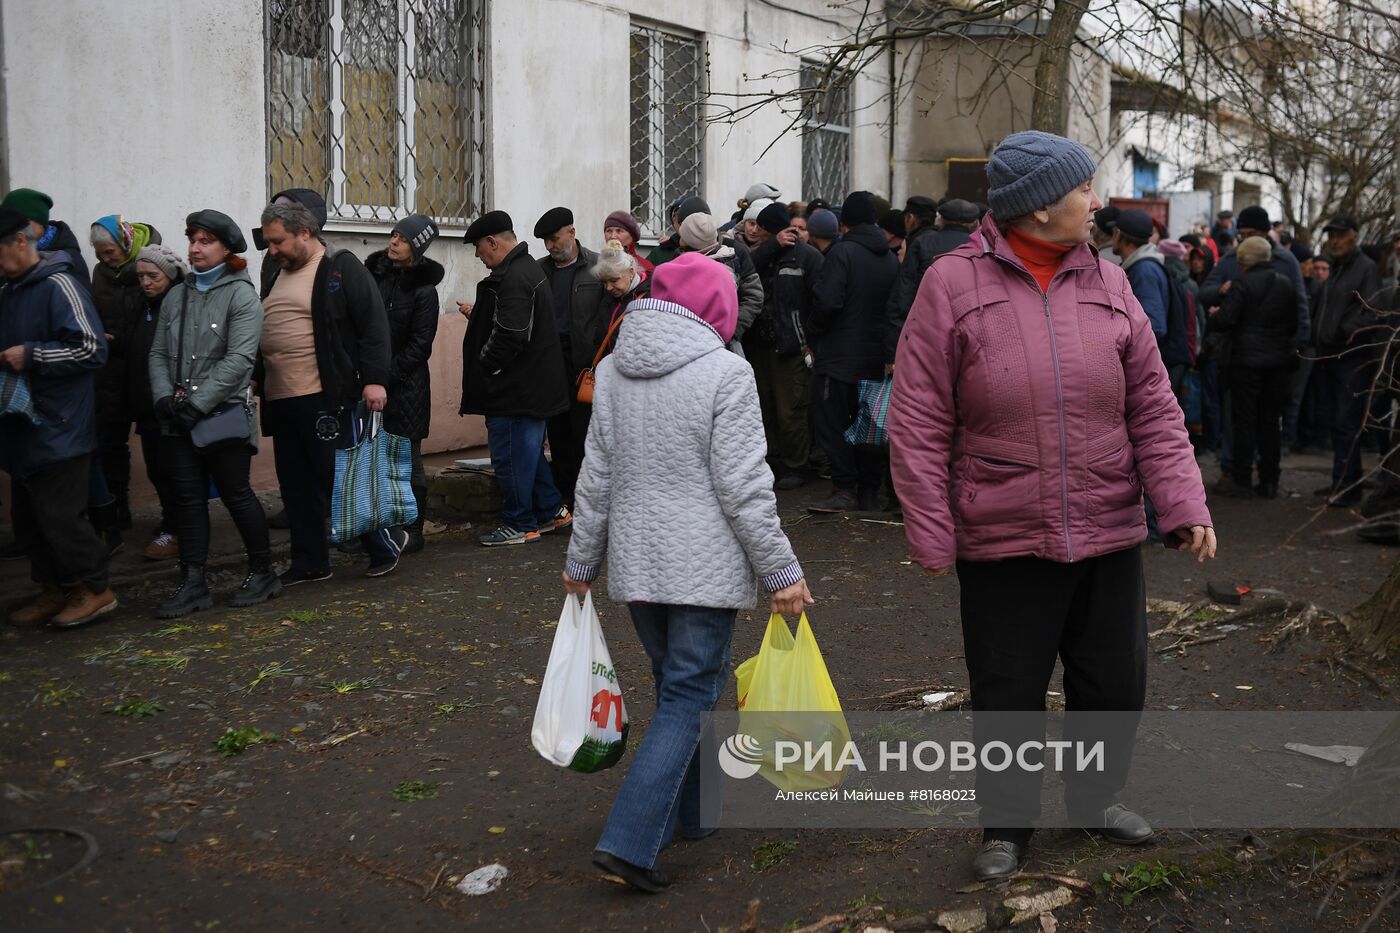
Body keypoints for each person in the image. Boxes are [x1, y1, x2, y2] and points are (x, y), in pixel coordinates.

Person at [888, 131, 1215, 882]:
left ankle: (1095, 801)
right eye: (1082, 190)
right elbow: (917, 415)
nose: (1095, 202)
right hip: (1002, 535)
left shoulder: (1110, 280)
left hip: (1105, 528)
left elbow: (1155, 408)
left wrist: (1182, 503)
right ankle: (1006, 826)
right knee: (1008, 689)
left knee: (1113, 683)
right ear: (1039, 208)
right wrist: (933, 525)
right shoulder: (952, 283)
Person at [561, 251, 812, 893]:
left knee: (677, 686)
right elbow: (745, 485)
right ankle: (629, 843)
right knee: (688, 696)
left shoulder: (614, 369)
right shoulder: (728, 372)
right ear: (719, 308)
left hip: (638, 564)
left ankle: (694, 815)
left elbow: (596, 475)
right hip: (702, 566)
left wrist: (583, 556)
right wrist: (781, 570)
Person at [256, 200, 403, 579]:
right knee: (296, 485)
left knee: (340, 479)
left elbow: (373, 325)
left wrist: (375, 380)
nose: (272, 250)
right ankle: (310, 562)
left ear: (304, 233)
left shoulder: (340, 267)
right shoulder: (276, 271)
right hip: (282, 397)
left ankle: (384, 544)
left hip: (325, 395)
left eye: (278, 242)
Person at [147, 210, 278, 617]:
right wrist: (164, 397)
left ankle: (263, 571)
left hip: (222, 415)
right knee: (187, 500)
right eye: (192, 239)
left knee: (236, 495)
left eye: (205, 241)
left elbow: (240, 360)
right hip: (179, 417)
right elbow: (158, 353)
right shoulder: (176, 295)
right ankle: (193, 583)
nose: (195, 248)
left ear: (226, 249)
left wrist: (197, 404)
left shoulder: (241, 296)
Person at [0, 206, 117, 628]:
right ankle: (55, 590)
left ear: (19, 241)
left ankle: (96, 589)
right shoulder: (8, 291)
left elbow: (91, 349)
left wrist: (31, 354)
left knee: (61, 518)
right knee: (30, 523)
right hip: (21, 425)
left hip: (60, 425)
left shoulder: (59, 284)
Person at [459, 211, 571, 546]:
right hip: (528, 388)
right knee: (527, 455)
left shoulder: (513, 277)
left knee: (510, 457)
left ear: (493, 242)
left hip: (513, 390)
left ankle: (519, 523)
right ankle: (552, 510)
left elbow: (511, 335)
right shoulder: (526, 270)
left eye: (479, 249)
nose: (479, 257)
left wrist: (486, 364)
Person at [806, 191, 899, 512]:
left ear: (844, 221)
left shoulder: (841, 253)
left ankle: (844, 488)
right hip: (875, 358)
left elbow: (828, 302)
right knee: (869, 426)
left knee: (832, 423)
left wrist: (813, 332)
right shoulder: (889, 257)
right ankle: (870, 492)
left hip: (838, 357)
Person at [366, 214, 442, 554]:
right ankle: (380, 526)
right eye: (394, 235)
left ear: (417, 248)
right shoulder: (375, 276)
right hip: (372, 383)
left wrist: (386, 376)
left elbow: (419, 345)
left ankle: (413, 528)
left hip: (407, 388)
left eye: (403, 239)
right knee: (373, 458)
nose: (394, 242)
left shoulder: (424, 291)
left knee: (407, 462)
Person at [1207, 237, 1299, 499]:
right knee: (1270, 421)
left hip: (1245, 362)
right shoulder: (1286, 284)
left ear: (1244, 259)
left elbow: (1226, 319)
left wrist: (1215, 313)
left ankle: (1242, 479)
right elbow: (1293, 324)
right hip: (1278, 362)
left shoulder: (1242, 284)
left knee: (1244, 421)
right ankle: (1270, 480)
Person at [89, 214, 161, 537]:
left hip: (145, 367)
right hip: (111, 368)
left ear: (126, 242)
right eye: (100, 253)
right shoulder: (100, 273)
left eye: (110, 252)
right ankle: (118, 510)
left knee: (157, 445)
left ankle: (172, 517)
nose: (105, 259)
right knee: (110, 444)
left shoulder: (151, 263)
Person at [533, 206, 606, 509]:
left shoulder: (596, 266)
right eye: (546, 242)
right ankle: (566, 496)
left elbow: (605, 314)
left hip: (586, 364)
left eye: (555, 239)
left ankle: (589, 497)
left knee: (586, 432)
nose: (551, 246)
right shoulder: (539, 270)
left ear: (572, 233)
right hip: (551, 362)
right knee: (558, 431)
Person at [746, 202, 823, 489]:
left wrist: (810, 341)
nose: (755, 233)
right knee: (764, 408)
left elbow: (822, 301)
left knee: (791, 410)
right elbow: (746, 272)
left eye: (761, 229)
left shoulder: (807, 257)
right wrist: (771, 247)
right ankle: (773, 462)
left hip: (792, 347)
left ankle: (796, 466)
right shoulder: (763, 253)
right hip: (760, 345)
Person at [1311, 213, 1383, 506]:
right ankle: (1340, 482)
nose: (1335, 241)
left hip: (1352, 356)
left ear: (1354, 235)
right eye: (1331, 236)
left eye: (1340, 235)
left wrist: (1342, 332)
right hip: (1331, 355)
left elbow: (1371, 312)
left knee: (1347, 422)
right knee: (1335, 421)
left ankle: (1347, 486)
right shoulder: (1338, 268)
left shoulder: (1365, 268)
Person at [131, 244, 188, 560]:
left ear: (168, 275)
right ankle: (173, 523)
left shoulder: (178, 304)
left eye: (152, 276)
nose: (146, 283)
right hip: (147, 403)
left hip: (170, 404)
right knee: (157, 469)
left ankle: (176, 530)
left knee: (172, 471)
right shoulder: (143, 304)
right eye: (140, 276)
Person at [887, 197, 978, 367]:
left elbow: (902, 297)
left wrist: (893, 353)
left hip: (928, 333)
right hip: (972, 337)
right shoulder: (982, 246)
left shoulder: (923, 243)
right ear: (975, 223)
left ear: (942, 220)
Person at [674, 201, 764, 350]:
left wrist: (732, 329)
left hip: (725, 342)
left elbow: (754, 296)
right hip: (686, 340)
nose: (697, 226)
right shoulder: (677, 257)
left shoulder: (735, 251)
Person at [1, 188, 89, 287]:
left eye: (21, 221)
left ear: (40, 224)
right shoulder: (11, 254)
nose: (13, 227)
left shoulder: (69, 260)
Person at [603, 211, 654, 275]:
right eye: (609, 231)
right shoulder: (596, 264)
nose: (613, 236)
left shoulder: (645, 269)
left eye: (619, 231)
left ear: (632, 236)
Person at [645, 196, 689, 268]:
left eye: (688, 216)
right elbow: (644, 275)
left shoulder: (710, 249)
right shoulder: (660, 252)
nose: (683, 221)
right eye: (679, 216)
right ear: (673, 220)